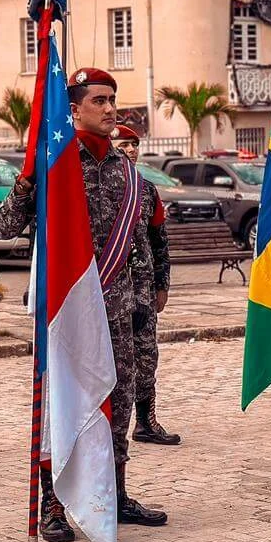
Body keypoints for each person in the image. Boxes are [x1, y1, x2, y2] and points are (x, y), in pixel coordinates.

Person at [0, 68, 166, 542]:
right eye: (99, 101)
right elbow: (7, 227)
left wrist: (148, 300)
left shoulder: (128, 171)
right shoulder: (55, 166)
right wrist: (28, 180)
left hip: (121, 313)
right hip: (70, 315)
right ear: (73, 109)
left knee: (119, 403)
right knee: (65, 406)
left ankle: (112, 493)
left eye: (113, 99)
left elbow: (143, 245)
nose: (111, 109)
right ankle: (54, 503)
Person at [111, 125, 179, 446]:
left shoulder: (148, 190)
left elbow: (159, 241)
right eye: (125, 144)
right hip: (111, 291)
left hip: (143, 291)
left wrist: (162, 283)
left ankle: (146, 422)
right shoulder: (102, 189)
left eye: (135, 145)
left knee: (147, 356)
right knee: (112, 360)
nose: (132, 150)